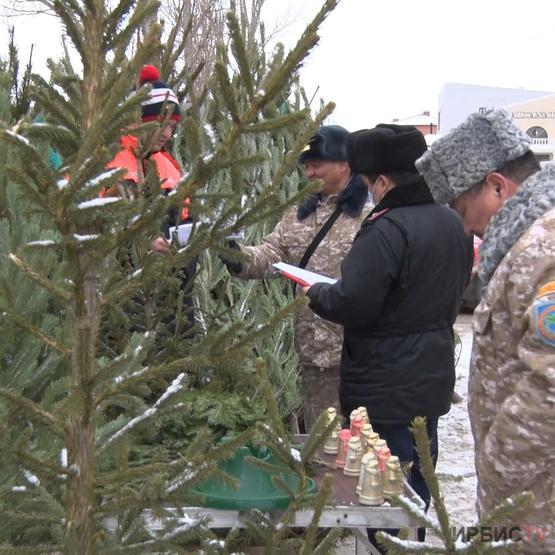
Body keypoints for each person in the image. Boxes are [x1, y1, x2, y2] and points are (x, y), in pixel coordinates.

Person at [303, 124, 473, 548]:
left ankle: (391, 544)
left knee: (383, 479)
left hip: (385, 379)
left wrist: (317, 292)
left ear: (381, 180)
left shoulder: (386, 230)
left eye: (366, 182)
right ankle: (413, 538)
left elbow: (353, 302)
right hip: (429, 373)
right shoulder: (453, 223)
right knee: (420, 471)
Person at [416, 109, 555, 553]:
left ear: (497, 185)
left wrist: (498, 470)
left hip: (537, 504)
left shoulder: (542, 250)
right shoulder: (523, 244)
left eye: (462, 209)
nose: (464, 226)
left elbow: (548, 386)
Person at [225, 125, 372, 431]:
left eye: (316, 165)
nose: (308, 174)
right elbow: (269, 255)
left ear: (344, 164)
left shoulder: (369, 217)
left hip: (360, 357)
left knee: (366, 447)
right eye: (306, 166)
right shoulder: (297, 215)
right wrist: (231, 252)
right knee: (323, 443)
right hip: (315, 355)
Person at [102, 65, 196, 336]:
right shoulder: (111, 159)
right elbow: (91, 225)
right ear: (138, 120)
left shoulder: (167, 166)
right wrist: (142, 242)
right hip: (120, 302)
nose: (167, 133)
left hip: (169, 302)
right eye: (161, 123)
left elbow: (187, 220)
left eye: (172, 126)